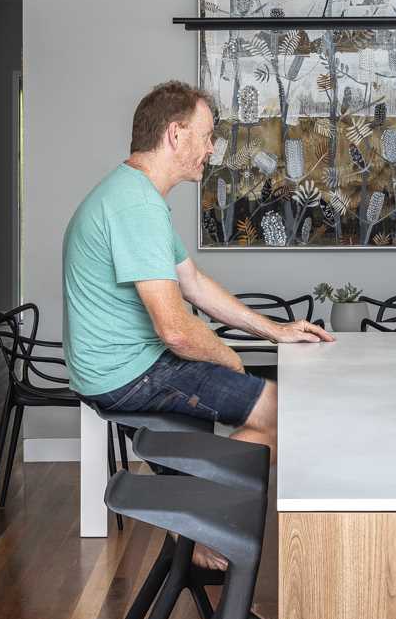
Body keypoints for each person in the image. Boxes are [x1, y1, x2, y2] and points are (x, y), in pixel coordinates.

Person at [63, 79, 333, 475]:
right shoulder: (136, 206)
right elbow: (175, 330)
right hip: (130, 374)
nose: (211, 149)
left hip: (119, 366)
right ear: (175, 134)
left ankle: (194, 485)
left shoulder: (133, 194)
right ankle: (190, 490)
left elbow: (195, 284)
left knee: (278, 410)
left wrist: (274, 330)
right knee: (288, 413)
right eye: (206, 137)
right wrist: (230, 361)